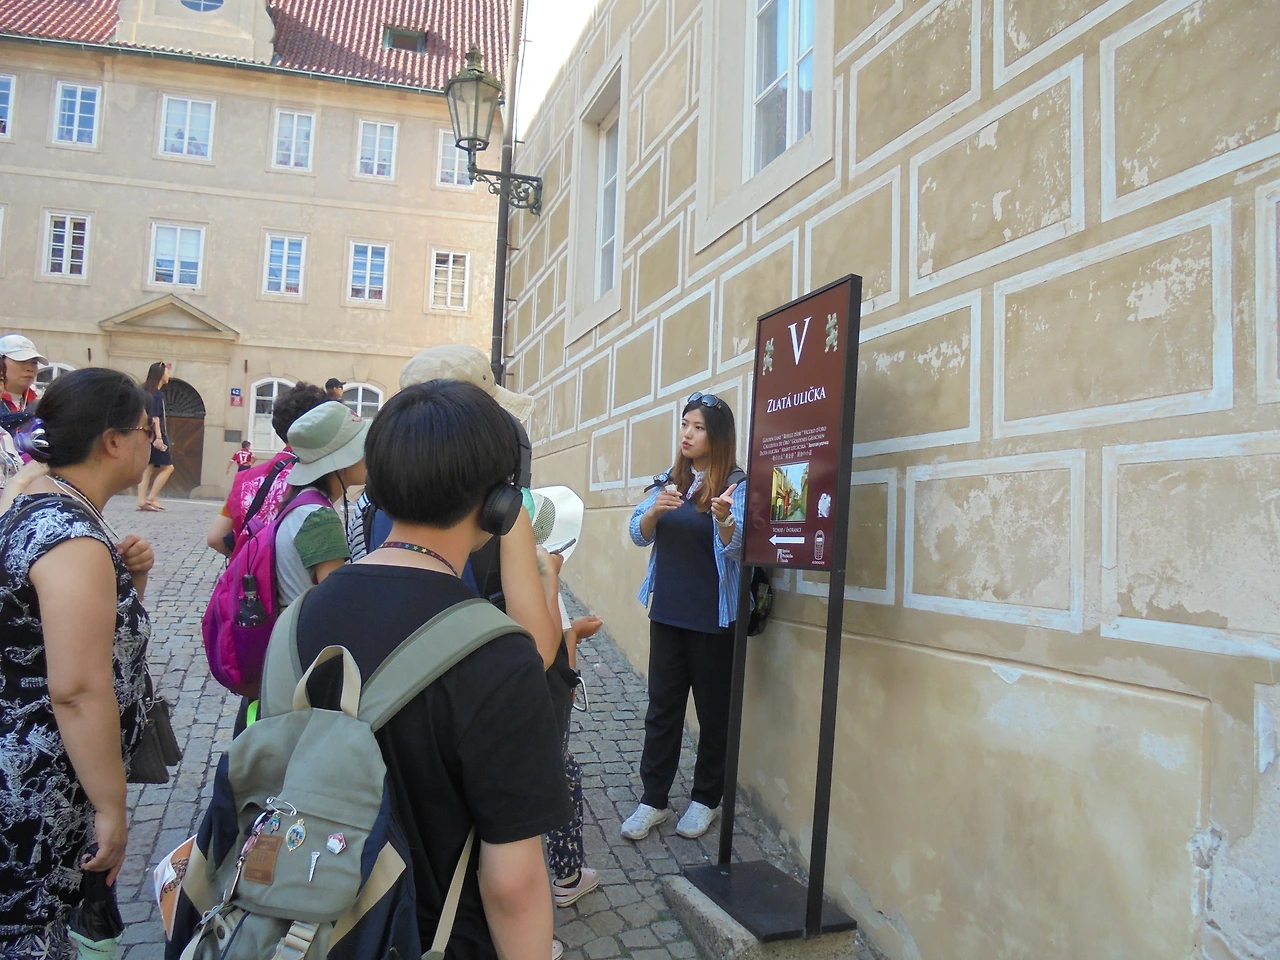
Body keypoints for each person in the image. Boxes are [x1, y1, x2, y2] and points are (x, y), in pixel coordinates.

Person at [291, 379, 570, 960]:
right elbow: (513, 883)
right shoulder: (498, 657)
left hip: (308, 927)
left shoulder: (300, 616)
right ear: (499, 501)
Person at [0, 368, 156, 960]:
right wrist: (110, 806)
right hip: (38, 787)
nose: (153, 443)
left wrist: (129, 579)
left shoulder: (41, 502)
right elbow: (79, 688)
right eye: (145, 430)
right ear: (112, 441)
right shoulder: (69, 535)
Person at [620, 391, 746, 841]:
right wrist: (654, 511)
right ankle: (653, 799)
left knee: (713, 713)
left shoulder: (735, 484)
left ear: (717, 436)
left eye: (698, 427)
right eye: (684, 424)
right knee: (663, 710)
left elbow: (739, 549)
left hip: (713, 619)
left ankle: (705, 799)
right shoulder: (668, 481)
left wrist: (726, 521)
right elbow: (636, 533)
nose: (688, 434)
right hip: (668, 614)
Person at [204, 381, 327, 556]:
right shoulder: (318, 475)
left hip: (249, 577)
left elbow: (215, 538)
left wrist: (248, 561)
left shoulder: (246, 478)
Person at [274, 401, 366, 607]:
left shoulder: (303, 503)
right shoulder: (318, 517)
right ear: (342, 460)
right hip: (304, 636)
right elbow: (335, 600)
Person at [136, 361, 173, 512]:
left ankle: (141, 501)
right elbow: (155, 417)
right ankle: (151, 497)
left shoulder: (145, 391)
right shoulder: (156, 394)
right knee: (168, 467)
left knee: (148, 468)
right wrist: (158, 437)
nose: (168, 375)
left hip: (145, 434)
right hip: (156, 434)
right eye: (166, 372)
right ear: (160, 375)